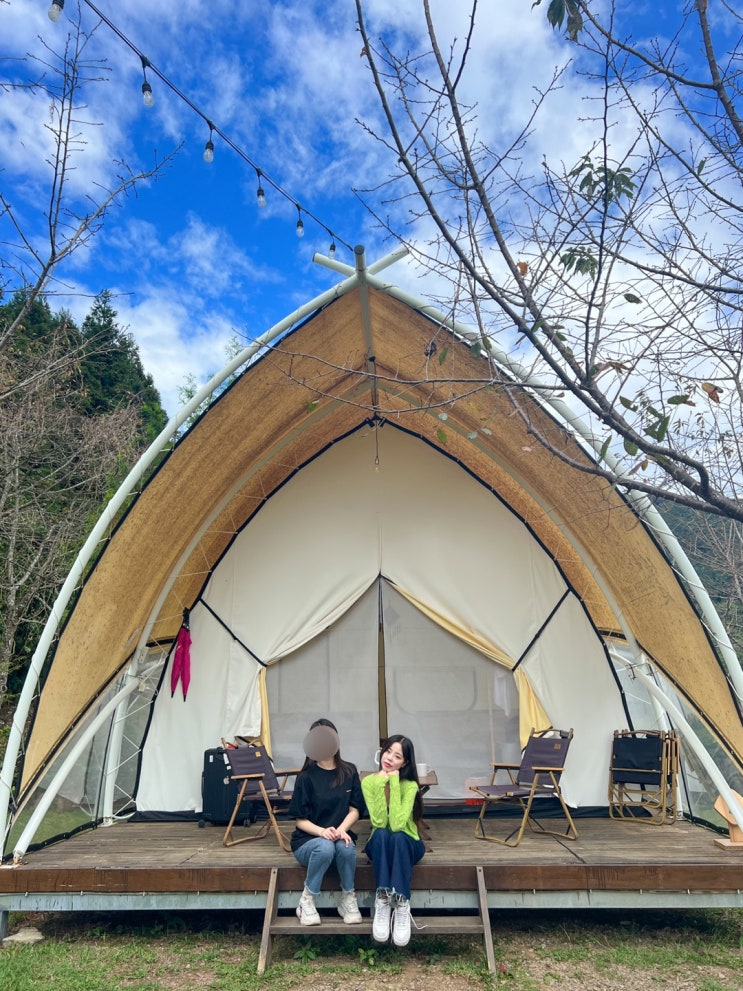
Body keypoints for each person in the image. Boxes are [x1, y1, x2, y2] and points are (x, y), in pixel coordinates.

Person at [287, 717, 365, 926]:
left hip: (339, 836)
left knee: (346, 846)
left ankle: (348, 898)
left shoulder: (349, 771)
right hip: (308, 842)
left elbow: (355, 809)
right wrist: (323, 832)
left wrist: (340, 830)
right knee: (325, 847)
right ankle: (307, 900)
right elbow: (300, 821)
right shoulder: (306, 777)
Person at [361, 734, 425, 947]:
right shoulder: (369, 782)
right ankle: (382, 899)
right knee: (381, 834)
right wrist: (380, 784)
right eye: (387, 751)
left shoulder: (410, 786)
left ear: (404, 762)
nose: (389, 758)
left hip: (408, 845)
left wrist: (394, 782)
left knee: (397, 836)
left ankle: (401, 903)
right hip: (379, 844)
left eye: (397, 756)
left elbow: (397, 824)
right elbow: (379, 821)